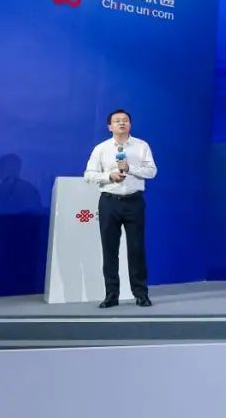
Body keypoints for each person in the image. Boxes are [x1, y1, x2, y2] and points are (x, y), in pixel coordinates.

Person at [84, 109, 157, 308]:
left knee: (136, 249)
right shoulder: (101, 149)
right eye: (117, 121)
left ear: (130, 125)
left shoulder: (141, 146)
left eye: (125, 120)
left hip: (134, 201)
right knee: (109, 250)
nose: (122, 123)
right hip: (109, 202)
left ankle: (141, 294)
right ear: (110, 127)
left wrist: (130, 168)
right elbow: (89, 174)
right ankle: (111, 295)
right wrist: (109, 176)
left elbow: (152, 171)